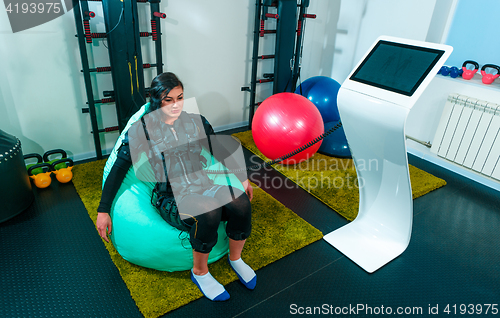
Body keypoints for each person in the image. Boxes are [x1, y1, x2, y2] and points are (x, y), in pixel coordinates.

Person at [96, 72, 256, 301]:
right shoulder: (142, 131)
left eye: (179, 97)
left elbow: (218, 147)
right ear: (155, 100)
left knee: (240, 201)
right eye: (167, 99)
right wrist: (103, 210)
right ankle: (200, 272)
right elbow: (119, 168)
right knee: (209, 211)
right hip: (172, 197)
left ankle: (236, 259)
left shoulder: (195, 121)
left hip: (203, 184)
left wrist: (241, 177)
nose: (175, 105)